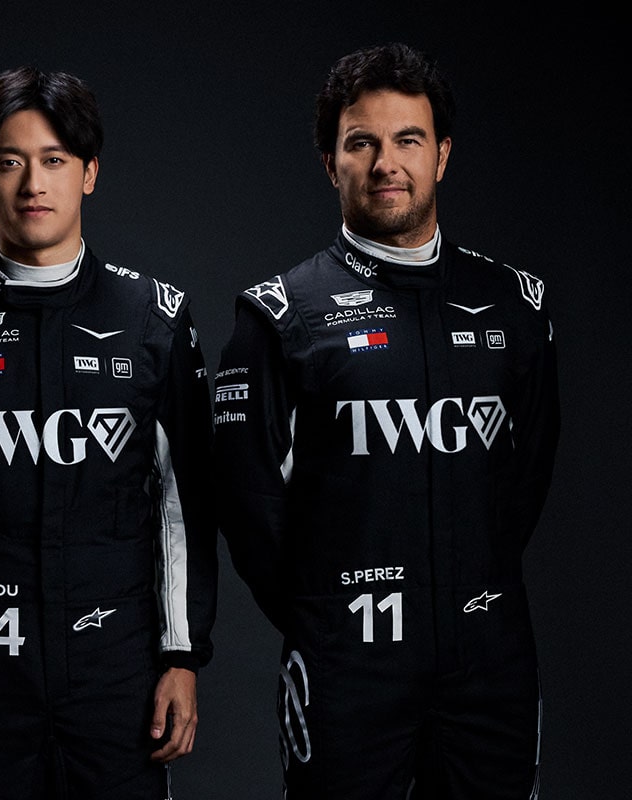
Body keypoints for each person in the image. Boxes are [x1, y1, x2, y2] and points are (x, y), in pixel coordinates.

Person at [0, 66, 218, 799]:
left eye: (54, 160)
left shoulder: (154, 321)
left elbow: (186, 505)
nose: (33, 184)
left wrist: (183, 653)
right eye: (9, 161)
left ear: (89, 173)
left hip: (118, 680)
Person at [213, 42, 560, 798]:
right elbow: (248, 509)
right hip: (349, 666)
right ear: (329, 161)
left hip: (491, 659)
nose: (385, 163)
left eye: (407, 140)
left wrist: (467, 586)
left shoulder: (516, 304)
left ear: (442, 154)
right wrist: (330, 616)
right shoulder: (278, 314)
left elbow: (524, 475)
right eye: (360, 143)